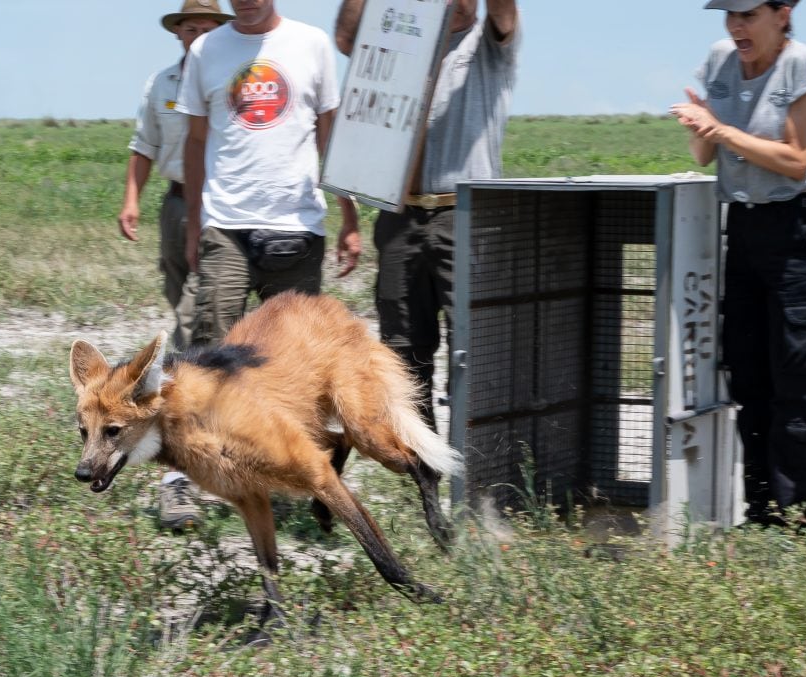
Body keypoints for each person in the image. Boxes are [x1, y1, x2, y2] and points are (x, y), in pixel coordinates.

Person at [670, 0, 806, 528]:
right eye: (729, 15)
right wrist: (700, 126)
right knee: (748, 377)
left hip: (796, 235)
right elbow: (703, 156)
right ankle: (760, 511)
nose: (736, 27)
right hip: (742, 231)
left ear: (782, 14)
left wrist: (719, 131)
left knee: (796, 381)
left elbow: (796, 160)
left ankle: (795, 518)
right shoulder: (720, 59)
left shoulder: (800, 63)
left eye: (748, 15)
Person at [334, 0, 520, 429]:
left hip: (466, 215)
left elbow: (503, 12)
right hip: (401, 217)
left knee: (473, 343)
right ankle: (423, 461)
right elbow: (347, 38)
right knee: (402, 347)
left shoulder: (489, 42)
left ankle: (475, 462)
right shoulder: (402, 41)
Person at [175, 0, 361, 347]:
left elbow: (329, 140)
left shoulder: (312, 43)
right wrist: (193, 227)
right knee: (212, 357)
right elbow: (196, 141)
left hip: (296, 225)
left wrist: (349, 219)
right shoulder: (206, 50)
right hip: (225, 227)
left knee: (297, 358)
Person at [118, 0, 234, 530]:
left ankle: (189, 465)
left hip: (231, 209)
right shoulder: (160, 82)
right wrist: (132, 199)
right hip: (179, 202)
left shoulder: (239, 77)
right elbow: (144, 144)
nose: (197, 34)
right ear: (178, 33)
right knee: (185, 312)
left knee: (201, 326)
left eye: (207, 26)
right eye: (189, 26)